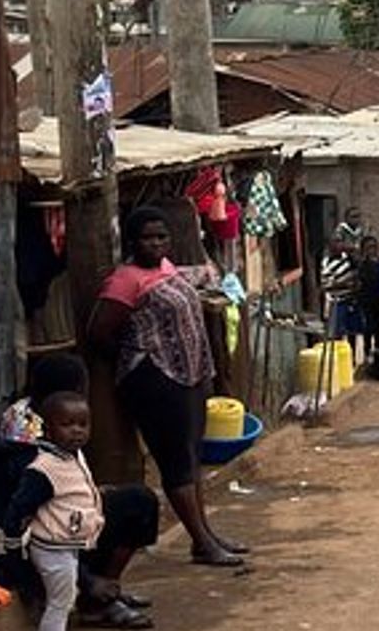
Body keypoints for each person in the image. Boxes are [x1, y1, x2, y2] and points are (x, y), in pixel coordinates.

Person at [88, 206, 245, 567]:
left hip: (188, 375)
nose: (156, 243)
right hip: (158, 380)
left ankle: (204, 534)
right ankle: (202, 542)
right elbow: (99, 332)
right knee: (175, 461)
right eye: (148, 237)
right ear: (132, 241)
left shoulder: (165, 268)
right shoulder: (125, 280)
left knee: (192, 457)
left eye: (162, 236)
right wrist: (139, 359)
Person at [0, 354, 156, 630]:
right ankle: (95, 596)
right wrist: (87, 580)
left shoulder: (42, 419)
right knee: (129, 506)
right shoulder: (33, 451)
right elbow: (36, 522)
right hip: (19, 549)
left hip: (45, 531)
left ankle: (98, 596)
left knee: (137, 502)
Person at [0, 391, 102, 631]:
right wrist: (11, 541)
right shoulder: (44, 468)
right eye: (67, 424)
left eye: (83, 424)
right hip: (51, 548)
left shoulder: (73, 457)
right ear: (48, 430)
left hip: (67, 544)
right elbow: (20, 506)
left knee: (63, 599)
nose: (77, 430)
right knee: (60, 603)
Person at [352, 236, 379, 363]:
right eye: (369, 247)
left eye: (374, 247)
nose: (372, 250)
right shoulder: (361, 265)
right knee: (368, 328)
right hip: (366, 300)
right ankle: (367, 353)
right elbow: (359, 281)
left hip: (378, 299)